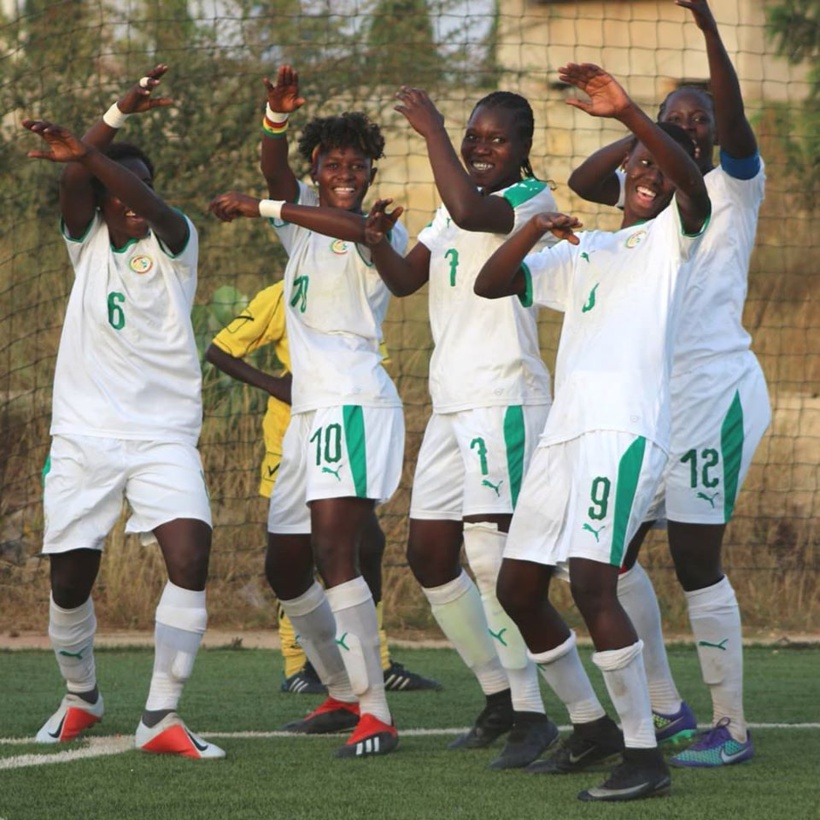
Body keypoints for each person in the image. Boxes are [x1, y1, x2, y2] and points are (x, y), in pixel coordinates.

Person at [474, 62, 711, 801]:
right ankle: (592, 724)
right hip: (565, 438)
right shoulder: (587, 249)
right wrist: (533, 228)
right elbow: (491, 284)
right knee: (518, 588)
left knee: (590, 581)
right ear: (620, 174)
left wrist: (633, 116)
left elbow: (688, 180)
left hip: (625, 431)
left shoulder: (676, 236)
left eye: (660, 169)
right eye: (638, 165)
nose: (649, 176)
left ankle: (644, 757)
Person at [567, 0, 770, 768]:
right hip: (652, 399)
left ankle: (731, 728)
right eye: (675, 117)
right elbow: (586, 180)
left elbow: (735, 120)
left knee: (694, 561)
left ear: (716, 133)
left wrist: (710, 31)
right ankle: (666, 707)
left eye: (698, 119)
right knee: (612, 559)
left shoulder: (733, 186)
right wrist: (641, 127)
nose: (688, 125)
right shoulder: (651, 191)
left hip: (714, 394)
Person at [208, 65, 408, 757]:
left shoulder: (377, 229)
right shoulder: (300, 227)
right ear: (316, 169)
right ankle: (341, 689)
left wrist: (265, 208)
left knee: (335, 553)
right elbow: (274, 173)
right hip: (307, 419)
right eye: (333, 164)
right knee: (286, 568)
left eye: (357, 165)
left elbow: (321, 218)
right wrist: (275, 118)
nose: (345, 173)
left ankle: (376, 711)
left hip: (353, 404)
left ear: (371, 173)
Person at [25, 66, 224, 759]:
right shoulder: (84, 245)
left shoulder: (176, 244)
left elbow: (130, 191)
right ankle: (81, 697)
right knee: (69, 580)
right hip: (83, 437)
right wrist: (109, 119)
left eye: (142, 187)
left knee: (190, 555)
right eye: (117, 190)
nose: (134, 199)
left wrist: (93, 151)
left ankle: (160, 716)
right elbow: (74, 181)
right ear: (99, 203)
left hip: (163, 436)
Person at [363, 85, 559, 770]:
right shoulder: (451, 207)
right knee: (428, 555)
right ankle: (499, 696)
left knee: (491, 558)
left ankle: (534, 715)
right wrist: (374, 243)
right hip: (452, 402)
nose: (480, 147)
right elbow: (404, 280)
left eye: (494, 139)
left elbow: (476, 213)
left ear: (522, 148)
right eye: (473, 136)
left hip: (503, 399)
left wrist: (433, 132)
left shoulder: (528, 200)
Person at [205, 282, 440, 694]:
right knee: (298, 552)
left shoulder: (357, 293)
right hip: (291, 440)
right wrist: (279, 386)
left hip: (343, 433)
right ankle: (298, 665)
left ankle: (377, 661)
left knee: (367, 544)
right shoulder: (281, 294)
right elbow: (219, 351)